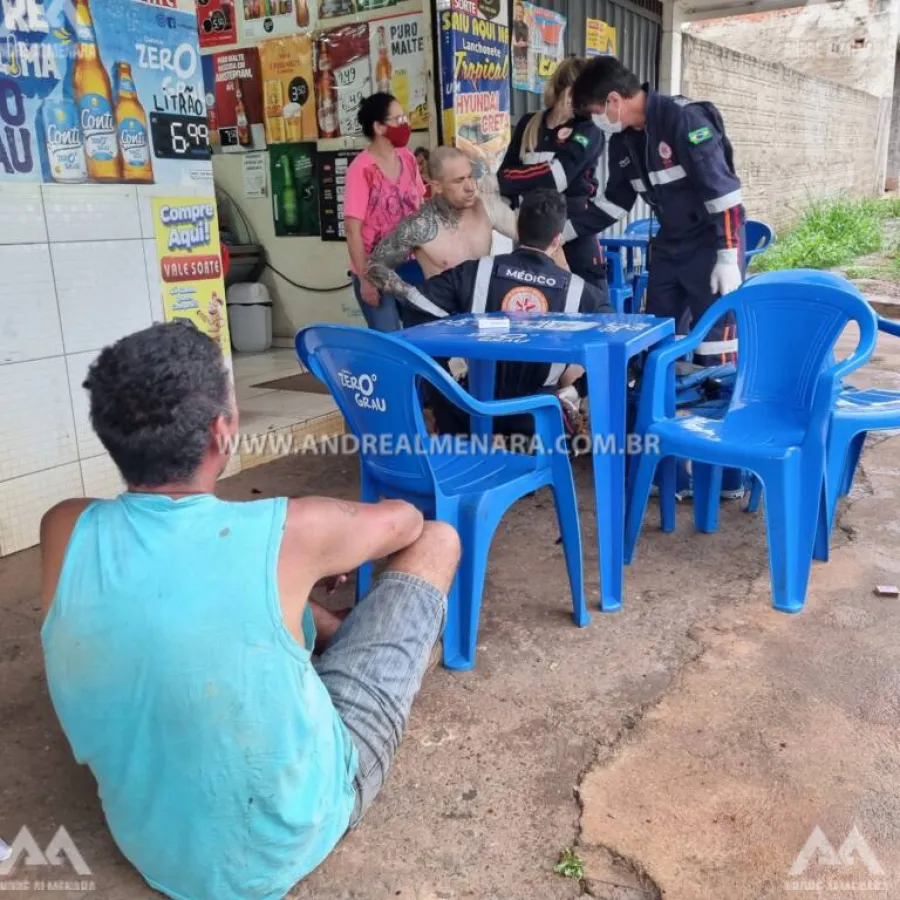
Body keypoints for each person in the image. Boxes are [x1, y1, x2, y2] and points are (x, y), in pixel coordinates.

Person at [39, 320, 461, 900]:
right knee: (439, 541)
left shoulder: (64, 527)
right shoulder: (294, 529)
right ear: (221, 432)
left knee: (237, 588)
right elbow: (406, 523)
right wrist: (324, 541)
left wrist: (305, 551)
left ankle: (323, 633)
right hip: (292, 833)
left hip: (151, 844)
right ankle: (343, 648)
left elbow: (179, 551)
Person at [566, 55, 746, 497]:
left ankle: (724, 477)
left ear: (613, 100)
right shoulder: (627, 140)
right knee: (657, 349)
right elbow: (613, 204)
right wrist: (565, 230)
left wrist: (727, 256)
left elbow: (724, 195)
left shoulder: (684, 119)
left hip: (711, 248)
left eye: (595, 113)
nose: (598, 123)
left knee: (716, 355)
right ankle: (666, 470)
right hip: (669, 248)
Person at [377, 189, 612, 438]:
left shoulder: (474, 272)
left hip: (472, 414)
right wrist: (576, 390)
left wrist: (446, 396)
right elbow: (623, 349)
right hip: (539, 423)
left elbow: (415, 304)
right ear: (556, 240)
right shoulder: (580, 291)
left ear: (519, 231)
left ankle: (449, 422)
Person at [497, 57, 608, 298]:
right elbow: (503, 177)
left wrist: (523, 178)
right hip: (532, 233)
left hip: (574, 230)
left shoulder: (588, 130)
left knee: (591, 303)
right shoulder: (530, 124)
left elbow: (557, 177)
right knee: (534, 302)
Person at [366, 145, 520, 296]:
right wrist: (413, 296)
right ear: (437, 186)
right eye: (459, 181)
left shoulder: (486, 208)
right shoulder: (420, 225)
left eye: (470, 176)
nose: (470, 187)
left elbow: (534, 239)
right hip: (444, 314)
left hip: (481, 308)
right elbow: (374, 266)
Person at [344, 92, 426, 332]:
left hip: (411, 263)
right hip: (375, 267)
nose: (405, 125)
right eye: (398, 119)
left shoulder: (408, 158)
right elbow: (352, 229)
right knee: (390, 338)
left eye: (405, 118)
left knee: (422, 336)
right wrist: (365, 279)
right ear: (379, 127)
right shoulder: (361, 169)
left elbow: (419, 208)